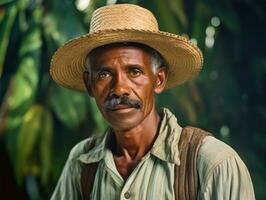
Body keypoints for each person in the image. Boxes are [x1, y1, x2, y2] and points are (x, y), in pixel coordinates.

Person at [50, 4, 255, 200]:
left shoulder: (212, 164)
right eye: (104, 74)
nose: (119, 88)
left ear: (159, 80)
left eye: (134, 71)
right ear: (89, 84)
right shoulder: (82, 163)